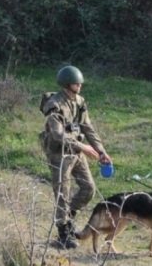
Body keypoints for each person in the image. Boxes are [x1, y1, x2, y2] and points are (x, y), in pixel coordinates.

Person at [39, 65, 113, 249]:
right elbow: (57, 134)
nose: (79, 85)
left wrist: (101, 151)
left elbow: (87, 127)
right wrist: (83, 147)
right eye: (75, 83)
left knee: (88, 189)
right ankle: (63, 233)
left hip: (77, 153)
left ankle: (69, 218)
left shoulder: (79, 101)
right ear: (66, 84)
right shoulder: (54, 104)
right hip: (59, 154)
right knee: (62, 193)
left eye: (80, 83)